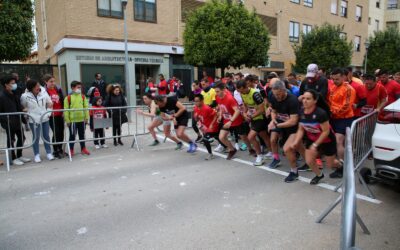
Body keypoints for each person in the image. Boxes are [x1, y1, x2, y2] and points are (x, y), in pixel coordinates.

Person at [291, 90, 343, 184]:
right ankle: (319, 175)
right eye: (303, 98)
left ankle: (341, 166)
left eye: (308, 99)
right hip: (312, 139)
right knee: (309, 161)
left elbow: (326, 131)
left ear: (315, 101)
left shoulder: (321, 113)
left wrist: (315, 145)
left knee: (330, 164)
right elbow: (301, 129)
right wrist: (296, 141)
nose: (305, 101)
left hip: (327, 140)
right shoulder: (301, 112)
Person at [267, 80, 304, 182]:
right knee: (273, 139)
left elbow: (293, 121)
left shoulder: (292, 100)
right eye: (275, 94)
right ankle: (277, 159)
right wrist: (273, 119)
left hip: (293, 126)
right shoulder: (274, 97)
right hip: (280, 122)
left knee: (293, 147)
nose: (277, 97)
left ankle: (301, 167)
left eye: (279, 94)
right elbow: (273, 111)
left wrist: (277, 124)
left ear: (284, 90)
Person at [236, 80, 271, 166]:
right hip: (254, 118)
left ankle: (259, 156)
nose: (241, 93)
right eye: (239, 91)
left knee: (251, 137)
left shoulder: (255, 94)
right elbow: (245, 105)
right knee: (264, 135)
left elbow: (262, 109)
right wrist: (245, 113)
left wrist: (251, 116)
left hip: (261, 117)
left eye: (241, 90)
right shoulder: (242, 93)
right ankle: (272, 152)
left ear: (246, 87)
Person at [328, 68, 356, 175]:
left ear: (343, 77)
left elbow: (347, 106)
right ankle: (341, 164)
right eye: (333, 79)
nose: (335, 81)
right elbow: (331, 101)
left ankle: (343, 168)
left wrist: (333, 112)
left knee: (339, 141)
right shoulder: (333, 87)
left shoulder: (349, 89)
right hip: (334, 118)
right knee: (337, 142)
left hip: (344, 118)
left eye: (337, 79)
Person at [214, 83, 252, 160]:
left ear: (223, 90)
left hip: (236, 120)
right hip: (226, 120)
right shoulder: (217, 97)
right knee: (221, 137)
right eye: (215, 91)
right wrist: (220, 115)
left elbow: (237, 111)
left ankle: (250, 149)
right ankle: (232, 149)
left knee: (243, 137)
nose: (216, 93)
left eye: (218, 91)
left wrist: (231, 121)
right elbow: (221, 106)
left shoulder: (229, 98)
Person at [21, 79, 54, 163]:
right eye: (36, 86)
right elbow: (23, 107)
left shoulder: (43, 93)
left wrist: (48, 114)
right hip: (34, 120)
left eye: (39, 85)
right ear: (31, 87)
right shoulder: (25, 96)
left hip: (44, 118)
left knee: (46, 136)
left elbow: (50, 103)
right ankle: (36, 154)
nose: (38, 87)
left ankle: (49, 153)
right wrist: (28, 115)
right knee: (36, 137)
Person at [0, 75, 31, 166]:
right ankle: (12, 158)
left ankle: (19, 155)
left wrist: (23, 110)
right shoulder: (2, 96)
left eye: (15, 83)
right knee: (11, 140)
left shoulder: (14, 94)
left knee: (22, 138)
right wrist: (6, 121)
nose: (14, 85)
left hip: (17, 120)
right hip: (9, 122)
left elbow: (18, 106)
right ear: (6, 85)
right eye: (12, 83)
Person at [193, 94, 226, 160]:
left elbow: (216, 115)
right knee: (217, 137)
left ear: (202, 101)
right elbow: (197, 119)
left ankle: (210, 154)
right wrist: (196, 118)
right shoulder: (196, 108)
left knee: (205, 139)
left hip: (213, 126)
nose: (196, 103)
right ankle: (225, 146)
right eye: (195, 101)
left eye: (197, 101)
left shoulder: (207, 108)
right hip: (205, 127)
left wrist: (212, 124)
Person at [64, 81, 91, 156]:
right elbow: (66, 110)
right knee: (72, 136)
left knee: (82, 135)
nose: (80, 89)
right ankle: (71, 149)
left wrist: (86, 117)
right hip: (72, 121)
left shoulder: (83, 96)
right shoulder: (68, 98)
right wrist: (68, 120)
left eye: (80, 87)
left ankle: (83, 148)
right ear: (72, 88)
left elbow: (86, 107)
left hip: (82, 120)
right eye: (78, 87)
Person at [44, 74, 65, 159]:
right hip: (51, 115)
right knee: (56, 132)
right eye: (51, 81)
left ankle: (60, 149)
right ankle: (55, 151)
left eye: (54, 81)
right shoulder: (44, 91)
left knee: (61, 132)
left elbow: (62, 100)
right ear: (46, 82)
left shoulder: (58, 89)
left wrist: (63, 110)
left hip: (60, 114)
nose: (53, 83)